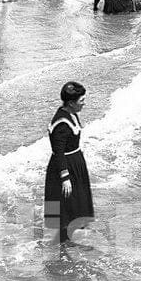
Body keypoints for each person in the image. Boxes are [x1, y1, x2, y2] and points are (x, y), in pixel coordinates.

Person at [44, 81, 95, 246]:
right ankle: (61, 244)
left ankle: (70, 238)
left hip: (75, 162)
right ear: (71, 103)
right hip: (65, 167)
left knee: (75, 202)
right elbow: (58, 153)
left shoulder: (70, 112)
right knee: (65, 206)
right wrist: (65, 177)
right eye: (81, 101)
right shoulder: (61, 124)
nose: (84, 103)